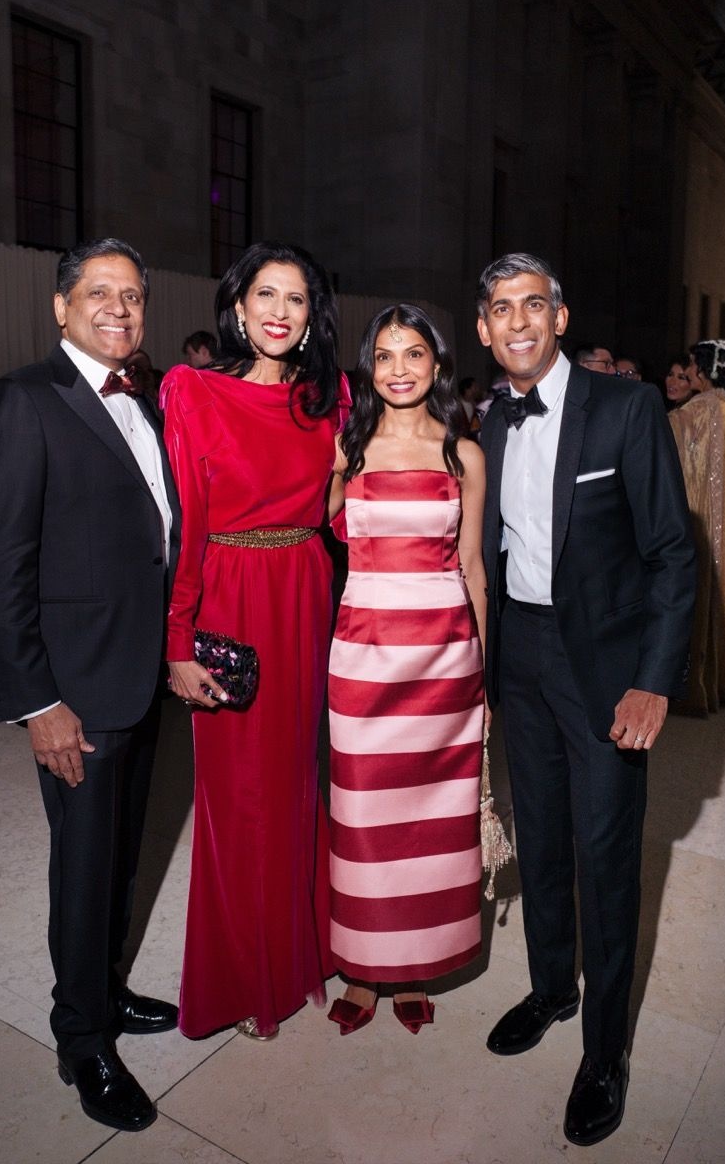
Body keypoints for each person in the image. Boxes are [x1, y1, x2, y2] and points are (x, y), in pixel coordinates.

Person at [0, 239, 182, 1134]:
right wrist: (38, 702)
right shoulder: (25, 402)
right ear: (61, 307)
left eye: (133, 296)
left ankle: (107, 988)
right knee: (83, 868)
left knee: (123, 853)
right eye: (100, 294)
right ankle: (80, 1039)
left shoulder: (154, 401)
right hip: (76, 691)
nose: (120, 309)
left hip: (139, 678)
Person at [476, 253, 694, 1147]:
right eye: (500, 308)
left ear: (559, 319)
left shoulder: (627, 408)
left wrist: (651, 680)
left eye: (534, 304)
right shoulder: (486, 417)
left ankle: (605, 1052)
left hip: (604, 668)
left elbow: (674, 556)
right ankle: (549, 988)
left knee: (604, 857)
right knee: (542, 835)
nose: (518, 320)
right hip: (520, 658)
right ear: (485, 330)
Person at [161, 240, 347, 1041]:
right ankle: (242, 976)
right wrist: (177, 641)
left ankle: (297, 953)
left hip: (304, 591)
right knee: (234, 799)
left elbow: (340, 515)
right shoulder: (193, 391)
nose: (278, 311)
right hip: (230, 598)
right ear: (237, 308)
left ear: (311, 317)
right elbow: (186, 526)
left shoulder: (330, 396)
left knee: (296, 784)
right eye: (264, 295)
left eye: (295, 299)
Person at [325, 305, 488, 1036]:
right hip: (362, 651)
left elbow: (473, 566)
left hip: (443, 658)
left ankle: (416, 966)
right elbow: (311, 528)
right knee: (363, 814)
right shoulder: (345, 448)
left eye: (413, 354)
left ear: (436, 365)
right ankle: (363, 968)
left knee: (432, 821)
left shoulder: (464, 453)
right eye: (385, 355)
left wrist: (482, 670)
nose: (398, 369)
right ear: (369, 367)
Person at [668, 340, 725, 711]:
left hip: (703, 515)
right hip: (722, 515)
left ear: (705, 369)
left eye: (691, 366)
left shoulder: (703, 407)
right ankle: (722, 678)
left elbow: (671, 442)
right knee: (720, 591)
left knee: (702, 591)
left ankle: (697, 682)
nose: (688, 372)